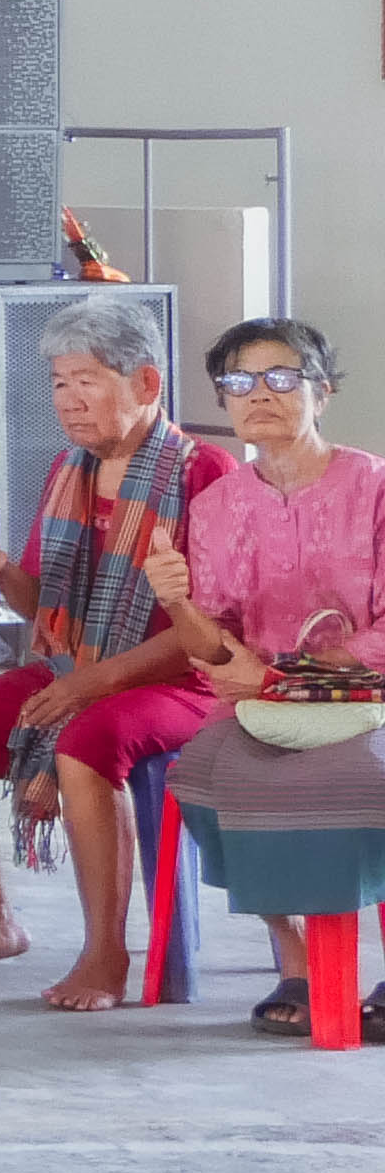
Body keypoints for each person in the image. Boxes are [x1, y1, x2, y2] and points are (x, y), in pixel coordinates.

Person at [0, 291, 237, 1003]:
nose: (67, 400)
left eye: (87, 379)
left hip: (186, 681)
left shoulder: (204, 472)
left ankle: (105, 953)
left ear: (146, 382)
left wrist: (95, 683)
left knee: (88, 737)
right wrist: (2, 570)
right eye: (59, 382)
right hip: (77, 665)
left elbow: (212, 632)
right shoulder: (70, 470)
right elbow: (45, 607)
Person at [150, 318, 385, 1035]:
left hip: (370, 691)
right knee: (208, 769)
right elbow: (213, 641)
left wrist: (296, 673)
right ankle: (298, 959)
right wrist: (176, 602)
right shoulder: (216, 506)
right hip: (258, 698)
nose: (260, 394)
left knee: (355, 774)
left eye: (282, 377)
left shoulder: (375, 485)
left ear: (323, 391)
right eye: (239, 381)